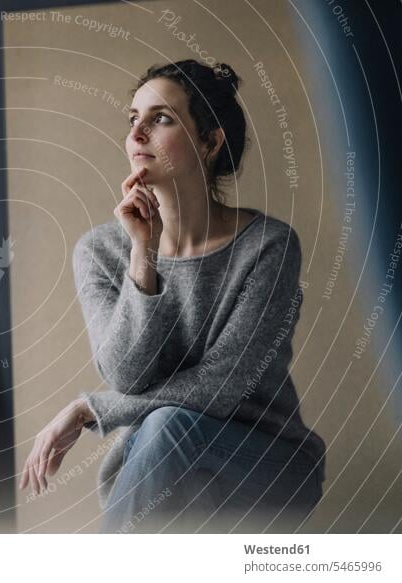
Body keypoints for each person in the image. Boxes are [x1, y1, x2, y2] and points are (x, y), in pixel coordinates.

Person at [18, 59, 326, 533]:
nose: (137, 133)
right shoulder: (101, 251)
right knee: (163, 433)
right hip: (156, 469)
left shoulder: (268, 247)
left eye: (160, 118)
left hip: (264, 464)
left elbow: (223, 388)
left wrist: (88, 410)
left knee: (168, 425)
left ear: (210, 142)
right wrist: (144, 253)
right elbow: (126, 372)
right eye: (132, 119)